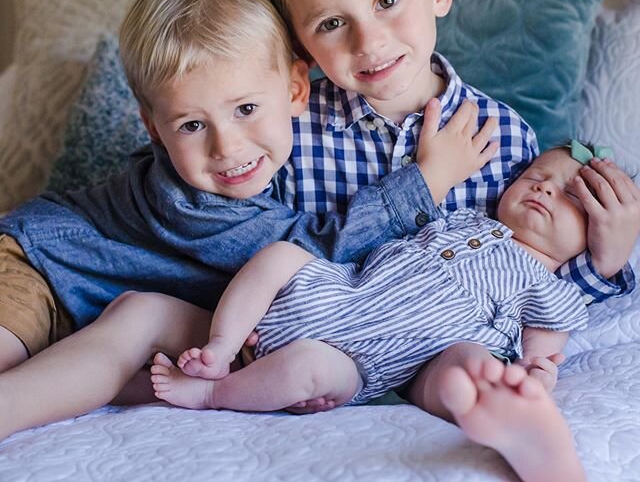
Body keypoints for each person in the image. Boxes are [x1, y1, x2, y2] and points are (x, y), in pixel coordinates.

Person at [0, 0, 495, 439]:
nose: (227, 147)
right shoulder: (196, 202)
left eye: (246, 109)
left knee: (138, 348)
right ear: (153, 128)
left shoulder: (306, 160)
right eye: (192, 125)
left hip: (111, 310)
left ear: (297, 89)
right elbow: (314, 252)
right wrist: (426, 180)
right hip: (35, 264)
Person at [244, 0, 640, 414]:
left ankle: (508, 417)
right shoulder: (290, 135)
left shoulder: (499, 135)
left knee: (469, 366)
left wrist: (605, 260)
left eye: (386, 0)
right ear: (300, 45)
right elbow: (260, 246)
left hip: (444, 353)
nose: (370, 41)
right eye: (332, 23)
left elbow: (531, 273)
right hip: (324, 349)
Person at [150, 144, 600, 482]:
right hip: (338, 292)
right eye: (536, 176)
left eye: (568, 196)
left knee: (470, 363)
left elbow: (544, 351)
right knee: (280, 254)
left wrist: (534, 373)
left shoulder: (548, 288)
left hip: (371, 364)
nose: (543, 188)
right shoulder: (462, 218)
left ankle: (513, 419)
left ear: (594, 231)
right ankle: (222, 346)